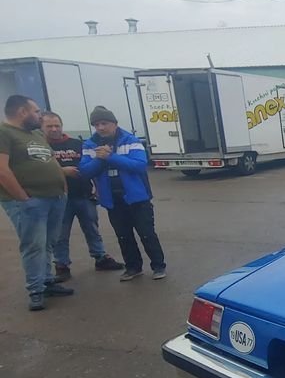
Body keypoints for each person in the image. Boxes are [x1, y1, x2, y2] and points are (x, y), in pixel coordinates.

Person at [0, 95, 75, 310]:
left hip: (55, 197)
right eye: (36, 112)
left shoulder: (35, 134)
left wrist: (63, 187)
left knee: (48, 243)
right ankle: (36, 289)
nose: (39, 116)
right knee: (33, 245)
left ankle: (47, 281)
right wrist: (23, 198)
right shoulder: (4, 133)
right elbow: (2, 170)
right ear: (22, 111)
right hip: (29, 202)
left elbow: (51, 160)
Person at [80, 106, 166, 281]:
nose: (101, 127)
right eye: (97, 124)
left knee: (147, 233)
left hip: (137, 198)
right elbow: (85, 171)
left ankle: (158, 266)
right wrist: (100, 158)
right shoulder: (89, 145)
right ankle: (133, 267)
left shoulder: (130, 140)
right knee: (123, 235)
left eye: (104, 123)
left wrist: (111, 158)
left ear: (114, 123)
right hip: (113, 199)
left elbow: (139, 165)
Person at [41, 111, 124, 280]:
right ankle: (62, 265)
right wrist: (62, 171)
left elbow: (92, 165)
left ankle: (100, 258)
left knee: (92, 228)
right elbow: (38, 170)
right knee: (60, 234)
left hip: (84, 194)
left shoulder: (77, 143)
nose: (54, 129)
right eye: (49, 126)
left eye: (57, 125)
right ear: (41, 127)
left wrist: (97, 187)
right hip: (58, 197)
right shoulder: (41, 147)